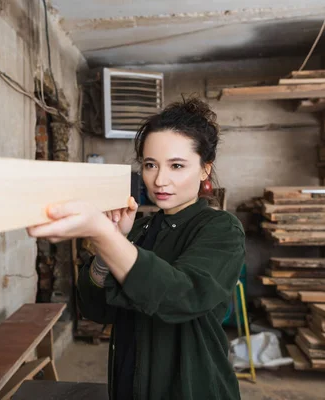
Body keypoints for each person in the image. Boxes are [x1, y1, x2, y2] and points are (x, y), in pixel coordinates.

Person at [27, 97, 245, 400]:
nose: (160, 180)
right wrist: (108, 249)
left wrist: (104, 235)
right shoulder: (140, 229)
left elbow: (181, 295)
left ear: (205, 170)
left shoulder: (220, 229)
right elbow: (97, 310)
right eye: (150, 165)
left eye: (177, 166)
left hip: (191, 387)